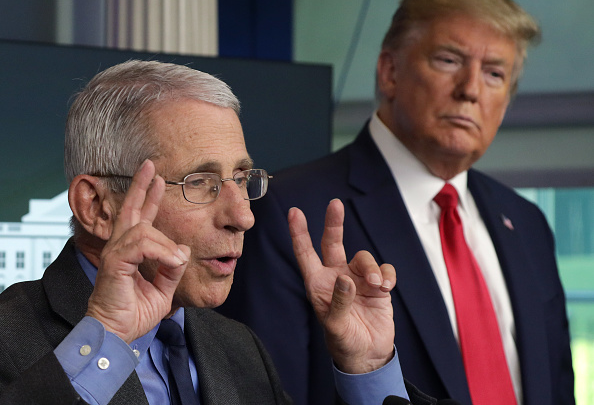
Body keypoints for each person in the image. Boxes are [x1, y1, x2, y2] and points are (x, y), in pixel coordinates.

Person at [218, 0, 575, 405]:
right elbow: (267, 394)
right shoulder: (292, 210)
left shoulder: (528, 223)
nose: (471, 89)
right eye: (448, 60)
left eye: (495, 73)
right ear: (390, 71)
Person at [0, 60, 436, 404]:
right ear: (97, 206)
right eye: (200, 183)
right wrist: (105, 337)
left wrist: (367, 367)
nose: (243, 216)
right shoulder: (8, 335)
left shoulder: (238, 348)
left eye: (242, 179)